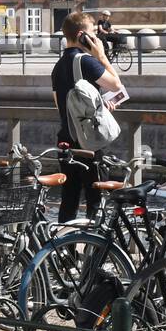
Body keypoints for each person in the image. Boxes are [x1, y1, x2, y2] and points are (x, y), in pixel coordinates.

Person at [51, 12, 123, 223]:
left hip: (66, 141)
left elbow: (60, 105)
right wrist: (101, 56)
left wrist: (98, 106)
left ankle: (64, 253)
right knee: (96, 199)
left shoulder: (58, 66)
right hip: (88, 144)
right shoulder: (86, 61)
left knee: (69, 200)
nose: (96, 39)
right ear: (82, 35)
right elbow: (116, 85)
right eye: (93, 34)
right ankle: (95, 252)